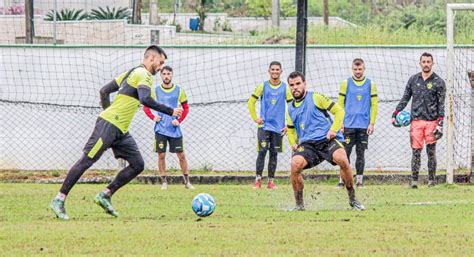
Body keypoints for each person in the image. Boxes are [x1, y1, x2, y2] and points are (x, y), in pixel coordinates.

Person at [50, 45, 182, 220]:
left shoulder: (130, 73)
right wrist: (170, 111)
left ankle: (105, 195)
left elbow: (104, 91)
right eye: (160, 62)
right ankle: (59, 200)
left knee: (137, 164)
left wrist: (109, 111)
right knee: (87, 160)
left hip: (121, 130)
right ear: (151, 58)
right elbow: (145, 99)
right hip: (109, 125)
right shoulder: (143, 75)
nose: (160, 67)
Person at [286, 71, 364, 211]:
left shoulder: (316, 97)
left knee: (342, 159)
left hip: (327, 140)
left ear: (304, 84)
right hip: (308, 145)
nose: (295, 87)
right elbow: (290, 129)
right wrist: (292, 143)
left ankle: (353, 200)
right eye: (291, 85)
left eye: (298, 84)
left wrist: (333, 129)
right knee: (294, 165)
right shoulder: (290, 108)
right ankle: (299, 205)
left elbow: (339, 111)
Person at [392, 52, 446, 188]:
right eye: (424, 62)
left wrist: (440, 123)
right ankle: (414, 181)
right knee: (416, 152)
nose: (426, 64)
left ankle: (432, 181)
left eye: (429, 62)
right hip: (415, 121)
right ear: (420, 63)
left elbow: (441, 104)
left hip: (432, 122)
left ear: (433, 63)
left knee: (431, 151)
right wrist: (396, 112)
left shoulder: (439, 82)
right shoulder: (413, 79)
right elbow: (405, 97)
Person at [143, 66, 194, 190]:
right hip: (161, 129)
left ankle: (187, 182)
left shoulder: (179, 90)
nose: (166, 76)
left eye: (168, 74)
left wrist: (179, 120)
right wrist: (153, 117)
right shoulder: (155, 91)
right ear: (161, 75)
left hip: (174, 129)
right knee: (161, 155)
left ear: (172, 75)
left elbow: (186, 108)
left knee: (181, 155)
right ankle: (164, 182)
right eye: (164, 74)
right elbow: (146, 106)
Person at [247, 61, 293, 189]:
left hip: (278, 128)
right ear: (269, 71)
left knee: (274, 154)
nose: (275, 72)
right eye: (272, 69)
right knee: (262, 152)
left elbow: (291, 107)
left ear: (281, 72)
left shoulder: (285, 88)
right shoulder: (263, 86)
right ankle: (258, 180)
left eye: (277, 70)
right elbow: (251, 102)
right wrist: (256, 118)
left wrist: (288, 125)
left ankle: (271, 181)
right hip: (264, 127)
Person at [337, 58, 378, 188]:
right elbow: (340, 104)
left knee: (360, 154)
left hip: (363, 126)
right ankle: (342, 180)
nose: (358, 71)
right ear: (352, 69)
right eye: (355, 69)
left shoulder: (371, 84)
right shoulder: (346, 83)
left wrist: (371, 123)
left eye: (360, 69)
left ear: (364, 69)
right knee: (344, 154)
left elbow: (374, 105)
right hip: (348, 125)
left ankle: (359, 181)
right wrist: (340, 123)